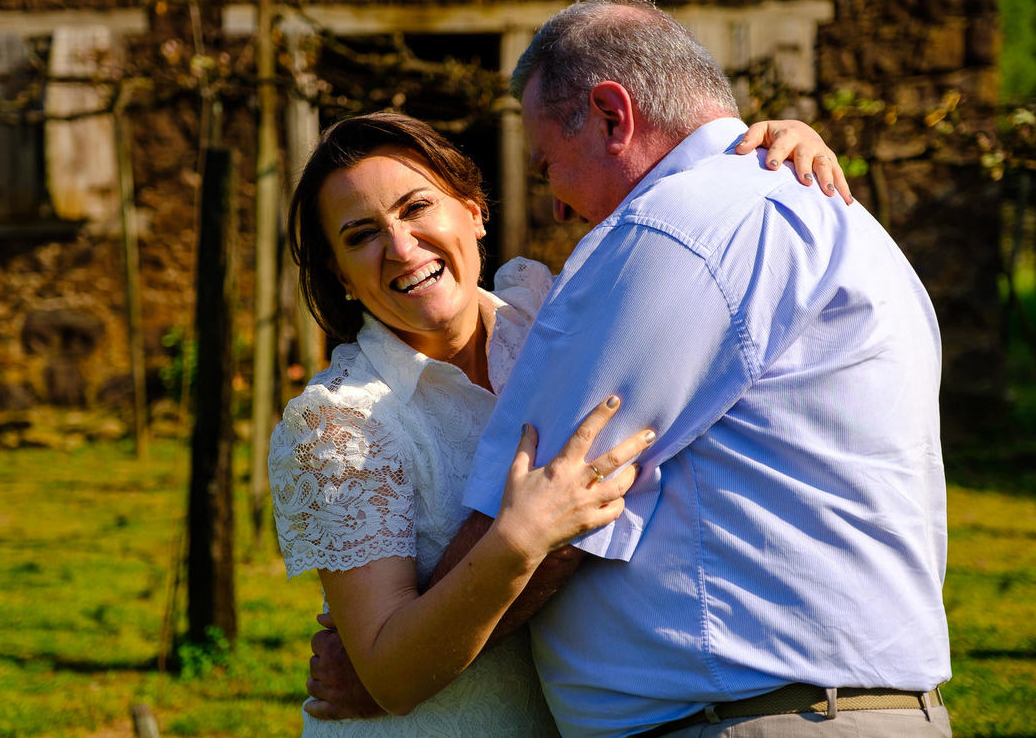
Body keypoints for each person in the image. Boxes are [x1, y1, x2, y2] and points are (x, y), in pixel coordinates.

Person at [306, 0, 951, 738]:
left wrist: (392, 665)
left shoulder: (671, 235)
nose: (554, 206)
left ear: (612, 116)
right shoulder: (823, 210)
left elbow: (553, 524)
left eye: (548, 164)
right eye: (360, 235)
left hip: (756, 717)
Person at [272, 110, 854, 736]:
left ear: (473, 209)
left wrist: (772, 146)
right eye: (361, 235)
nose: (401, 247)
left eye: (416, 207)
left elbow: (676, 224)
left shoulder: (552, 320)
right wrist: (520, 540)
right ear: (341, 274)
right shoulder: (337, 423)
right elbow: (389, 676)